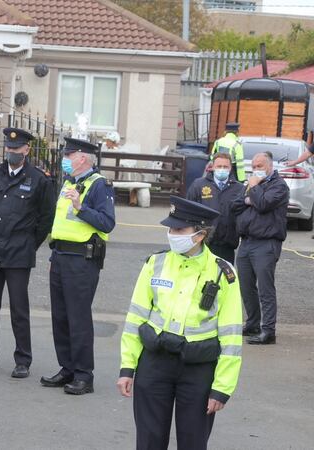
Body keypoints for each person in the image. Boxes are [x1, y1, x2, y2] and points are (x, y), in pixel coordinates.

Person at [117, 195, 243, 450]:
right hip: (155, 363)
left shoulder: (223, 272)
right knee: (149, 441)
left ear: (200, 234)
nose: (172, 234)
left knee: (193, 442)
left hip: (197, 369)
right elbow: (136, 317)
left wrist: (222, 387)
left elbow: (231, 335)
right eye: (170, 228)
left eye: (179, 229)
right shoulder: (156, 263)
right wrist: (127, 367)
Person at [0, 127, 56, 379]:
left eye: (16, 148)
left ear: (27, 149)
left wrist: (29, 243)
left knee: (19, 308)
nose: (12, 152)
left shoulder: (39, 179)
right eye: (9, 148)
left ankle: (23, 359)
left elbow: (47, 218)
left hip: (19, 251)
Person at [40, 137, 115, 395]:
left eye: (68, 155)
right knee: (60, 317)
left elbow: (107, 222)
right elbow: (60, 226)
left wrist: (81, 207)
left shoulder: (99, 185)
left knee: (78, 317)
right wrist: (54, 256)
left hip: (82, 260)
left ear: (82, 157)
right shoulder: (70, 183)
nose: (65, 159)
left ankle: (84, 375)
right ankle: (67, 368)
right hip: (61, 256)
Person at [232, 151, 289, 344]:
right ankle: (253, 323)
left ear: (270, 166)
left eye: (260, 166)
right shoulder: (251, 184)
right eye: (254, 167)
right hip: (246, 242)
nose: (256, 170)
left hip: (266, 243)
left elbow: (264, 204)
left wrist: (254, 190)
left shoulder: (279, 186)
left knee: (265, 288)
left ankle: (268, 331)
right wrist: (251, 198)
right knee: (246, 286)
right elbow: (236, 205)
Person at [186, 152, 244, 263]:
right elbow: (189, 211)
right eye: (219, 166)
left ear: (231, 168)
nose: (222, 169)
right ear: (212, 167)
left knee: (223, 278)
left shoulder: (239, 189)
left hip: (227, 245)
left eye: (225, 166)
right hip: (203, 243)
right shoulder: (199, 185)